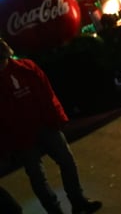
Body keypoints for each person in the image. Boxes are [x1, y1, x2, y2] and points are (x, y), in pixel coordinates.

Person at [0, 38, 102, 214]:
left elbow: (46, 94)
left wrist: (55, 119)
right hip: (24, 134)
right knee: (41, 175)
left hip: (39, 127)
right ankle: (66, 206)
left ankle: (76, 202)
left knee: (59, 166)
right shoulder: (26, 67)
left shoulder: (27, 67)